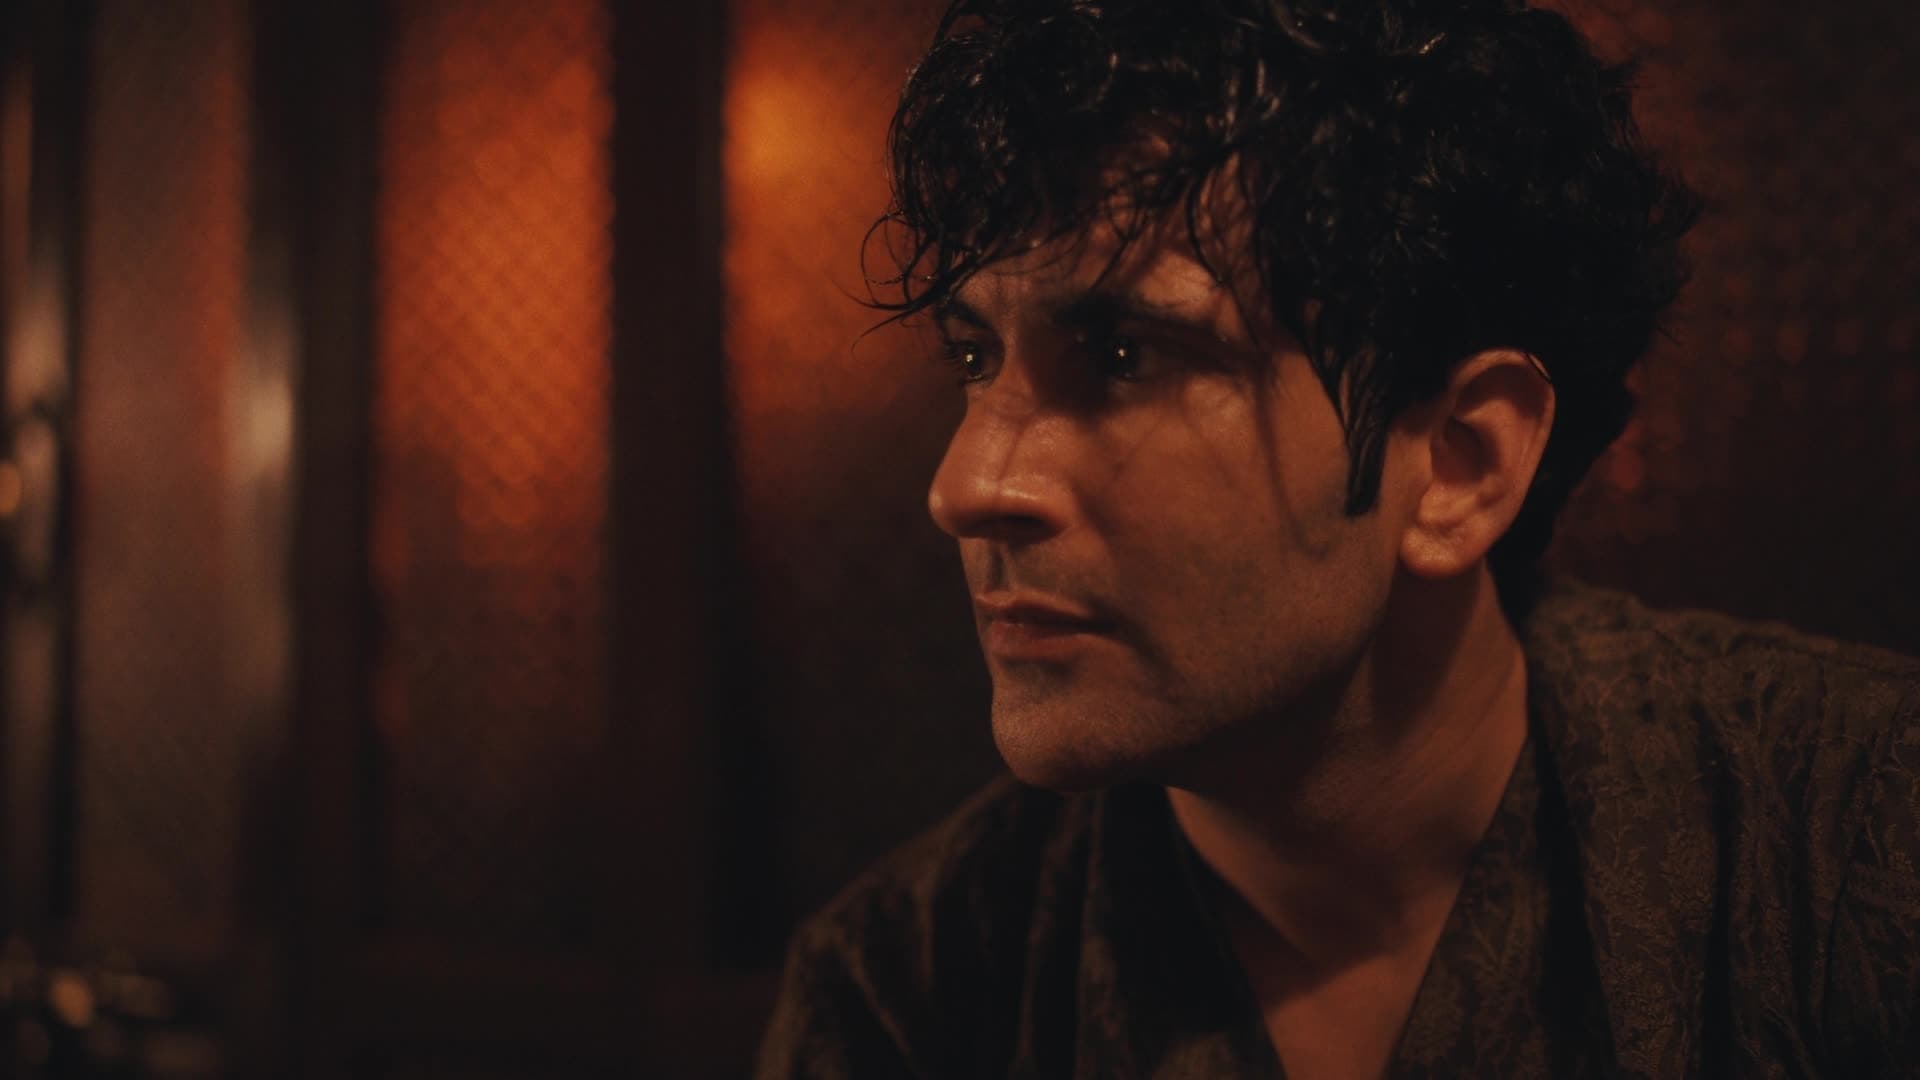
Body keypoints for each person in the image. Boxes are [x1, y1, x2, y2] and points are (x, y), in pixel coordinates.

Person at [757, 0, 1920, 1075]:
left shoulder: (1852, 843)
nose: (967, 486)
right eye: (975, 356)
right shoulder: (908, 993)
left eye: (1124, 356)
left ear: (1459, 464)